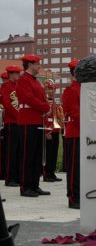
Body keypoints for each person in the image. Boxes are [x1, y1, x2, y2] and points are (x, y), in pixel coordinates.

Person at [16, 55, 51, 197]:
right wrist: (45, 107)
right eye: (37, 64)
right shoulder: (23, 80)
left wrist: (45, 107)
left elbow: (40, 98)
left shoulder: (36, 81)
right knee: (27, 156)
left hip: (37, 120)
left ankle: (34, 185)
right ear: (30, 65)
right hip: (27, 120)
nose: (39, 66)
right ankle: (25, 187)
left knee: (36, 156)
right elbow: (28, 98)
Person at [62, 59, 80, 209]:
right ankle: (73, 198)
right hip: (74, 133)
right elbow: (75, 113)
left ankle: (79, 195)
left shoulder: (82, 88)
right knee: (74, 168)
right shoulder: (70, 90)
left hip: (82, 132)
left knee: (81, 168)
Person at [1, 65, 22, 186]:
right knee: (11, 151)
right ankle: (10, 178)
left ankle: (17, 176)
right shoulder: (5, 87)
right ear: (11, 74)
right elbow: (7, 105)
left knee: (19, 151)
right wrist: (19, 115)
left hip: (19, 122)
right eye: (17, 73)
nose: (18, 75)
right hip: (11, 123)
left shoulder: (18, 86)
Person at [42, 79, 63, 182]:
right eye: (51, 89)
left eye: (54, 90)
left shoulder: (53, 102)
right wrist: (47, 131)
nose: (53, 92)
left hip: (55, 130)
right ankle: (47, 174)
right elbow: (45, 118)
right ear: (46, 90)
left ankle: (52, 173)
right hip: (49, 131)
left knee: (54, 153)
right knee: (48, 154)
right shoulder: (44, 102)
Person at [0, 71, 9, 180]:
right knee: (3, 150)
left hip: (5, 122)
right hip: (4, 122)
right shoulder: (3, 90)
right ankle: (2, 172)